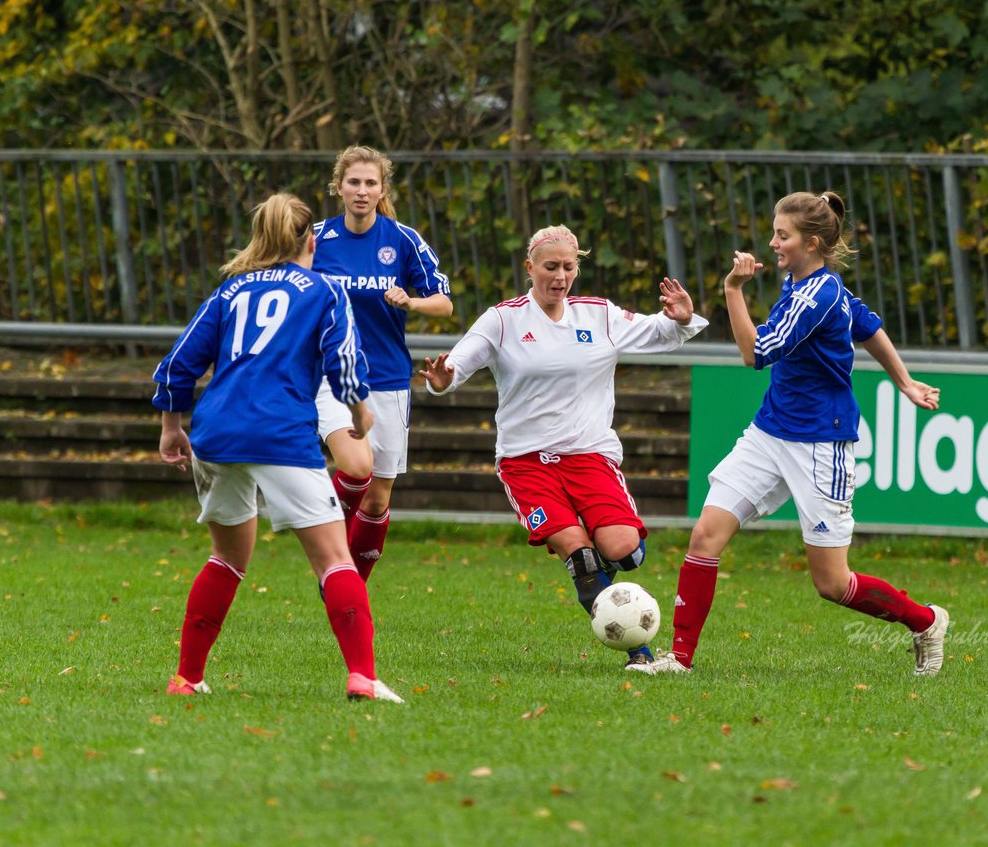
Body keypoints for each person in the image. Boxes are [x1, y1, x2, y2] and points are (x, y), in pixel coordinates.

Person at [635, 191, 949, 677]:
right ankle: (678, 659)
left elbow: (754, 354)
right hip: (770, 433)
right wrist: (904, 381)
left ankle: (925, 622)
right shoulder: (812, 283)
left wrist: (733, 290)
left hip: (820, 443)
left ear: (813, 242)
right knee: (705, 535)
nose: (772, 242)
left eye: (783, 236)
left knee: (832, 583)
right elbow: (867, 326)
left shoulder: (815, 295)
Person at [418, 224, 708, 669]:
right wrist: (445, 378)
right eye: (550, 267)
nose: (560, 276)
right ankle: (640, 653)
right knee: (581, 557)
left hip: (590, 455)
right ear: (529, 267)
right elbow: (459, 361)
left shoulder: (599, 315)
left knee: (623, 551)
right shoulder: (503, 319)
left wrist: (682, 318)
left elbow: (659, 332)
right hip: (526, 463)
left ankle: (603, 558)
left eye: (568, 267)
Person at [153, 192, 403, 702]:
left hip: (216, 434)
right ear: (312, 240)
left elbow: (179, 363)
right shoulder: (325, 290)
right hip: (280, 433)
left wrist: (171, 428)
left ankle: (187, 678)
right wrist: (359, 412)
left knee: (226, 557)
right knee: (335, 559)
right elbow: (345, 362)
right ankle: (362, 676)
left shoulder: (230, 291)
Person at [312, 145, 453, 583]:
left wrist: (411, 300)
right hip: (331, 375)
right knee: (355, 467)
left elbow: (444, 305)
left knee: (377, 499)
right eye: (353, 181)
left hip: (389, 377)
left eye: (370, 182)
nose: (361, 190)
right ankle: (328, 559)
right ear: (339, 187)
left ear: (382, 189)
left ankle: (349, 585)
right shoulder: (314, 237)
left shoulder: (403, 239)